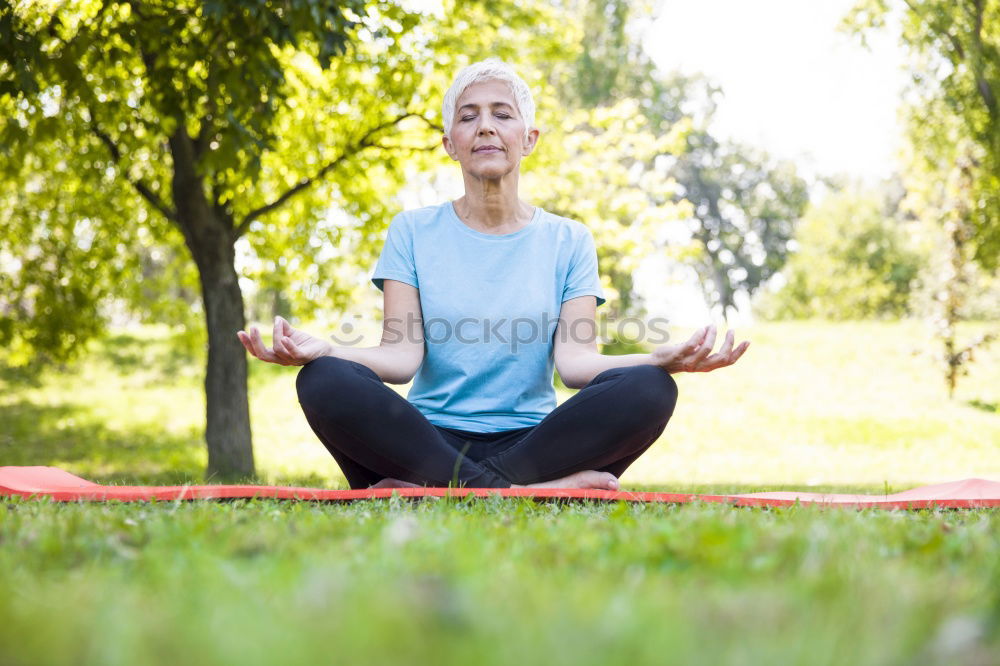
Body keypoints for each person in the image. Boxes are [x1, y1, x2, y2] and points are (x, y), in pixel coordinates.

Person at [237, 58, 749, 491]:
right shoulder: (412, 230)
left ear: (527, 139)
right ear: (449, 143)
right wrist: (323, 349)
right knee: (324, 380)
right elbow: (399, 358)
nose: (485, 126)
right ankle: (528, 492)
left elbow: (575, 364)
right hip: (426, 440)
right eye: (468, 117)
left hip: (534, 444)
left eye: (501, 115)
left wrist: (660, 359)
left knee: (652, 389)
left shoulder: (570, 240)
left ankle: (446, 491)